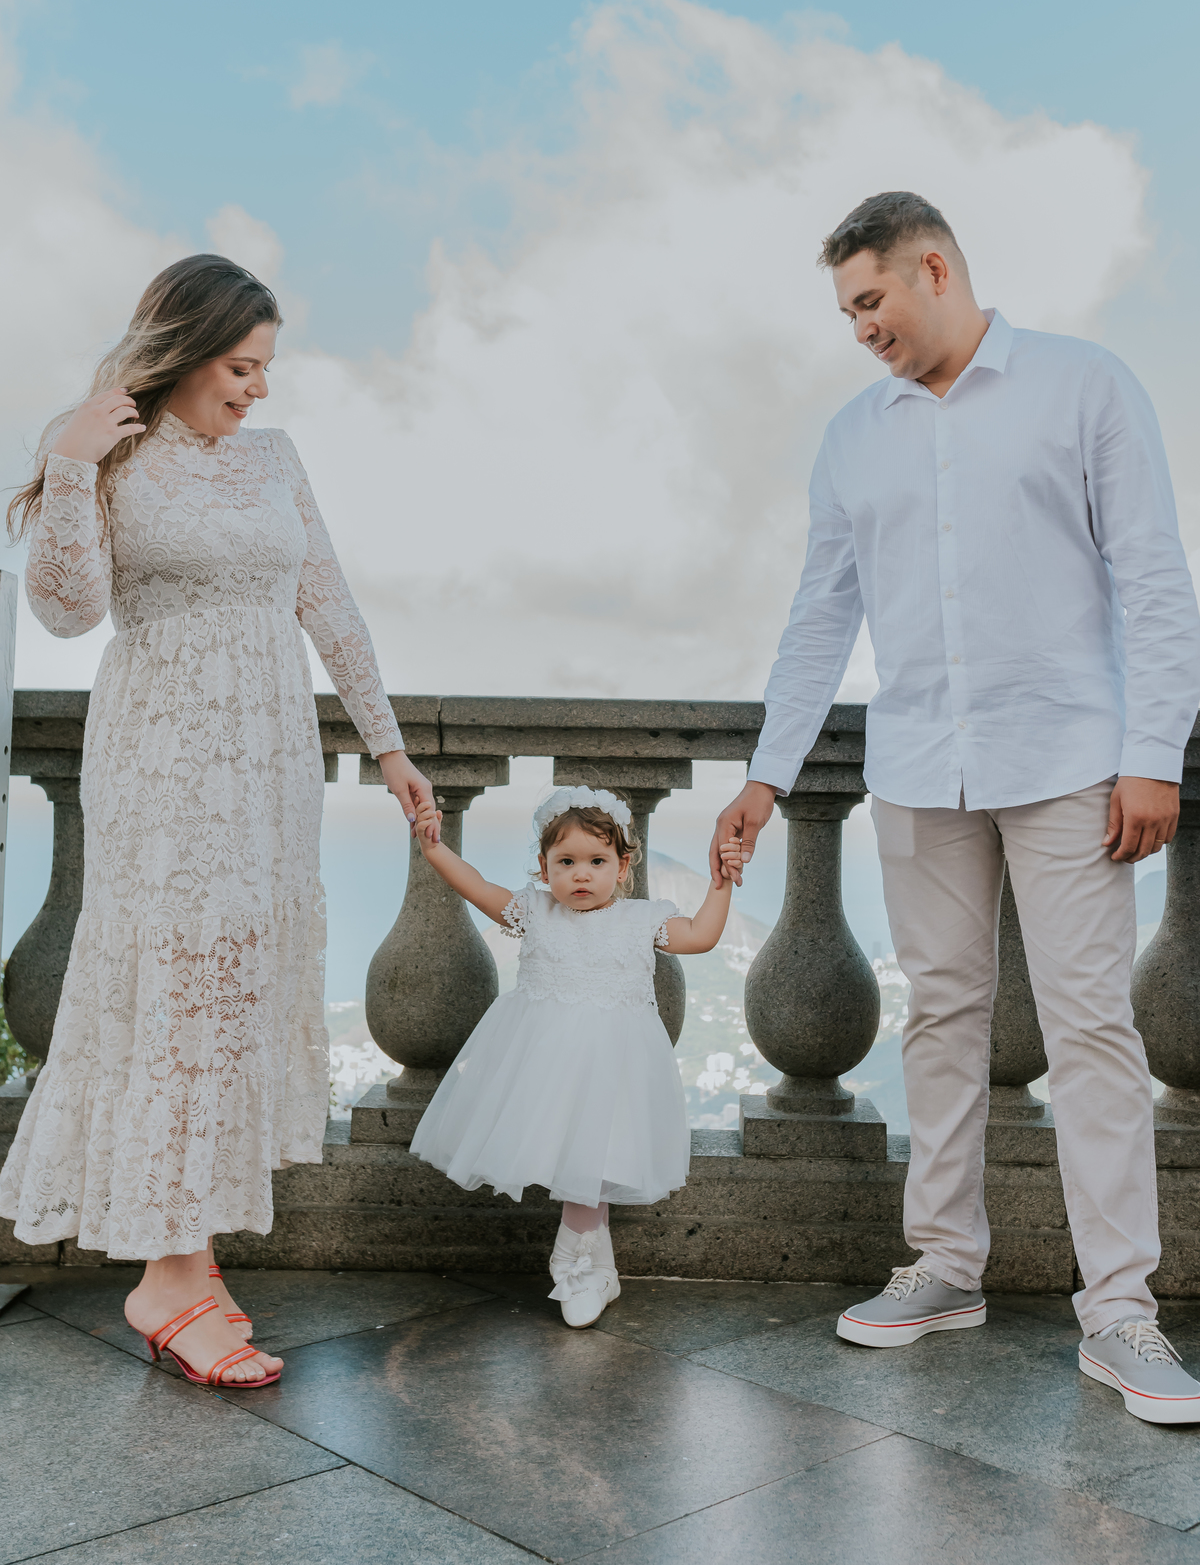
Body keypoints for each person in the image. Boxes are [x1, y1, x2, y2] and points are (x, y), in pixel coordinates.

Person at [710, 191, 1200, 1425]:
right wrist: (767, 775)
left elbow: (1153, 578)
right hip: (921, 770)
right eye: (846, 312)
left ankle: (1123, 1312)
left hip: (1072, 762)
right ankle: (944, 1266)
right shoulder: (852, 436)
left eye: (869, 300)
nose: (858, 328)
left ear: (935, 267)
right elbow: (820, 616)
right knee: (940, 1017)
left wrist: (1156, 752)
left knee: (1091, 1027)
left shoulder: (1087, 386)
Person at [1, 255, 431, 1387]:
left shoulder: (276, 458)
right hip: (166, 757)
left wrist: (389, 748)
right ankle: (169, 1271)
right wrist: (67, 463)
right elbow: (66, 607)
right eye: (243, 366)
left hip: (271, 756)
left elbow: (326, 601)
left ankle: (190, 1255)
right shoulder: (106, 444)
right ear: (184, 352)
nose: (259, 389)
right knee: (178, 988)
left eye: (265, 368)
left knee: (232, 986)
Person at [411, 785, 742, 1326]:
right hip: (545, 1065)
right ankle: (593, 1269)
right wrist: (434, 850)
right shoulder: (536, 911)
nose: (580, 875)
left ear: (623, 864)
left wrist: (720, 884)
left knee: (596, 1157)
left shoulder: (640, 920)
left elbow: (702, 936)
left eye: (596, 861)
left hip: (614, 1068)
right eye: (566, 862)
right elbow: (476, 887)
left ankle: (579, 1265)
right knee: (579, 1162)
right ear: (544, 869)